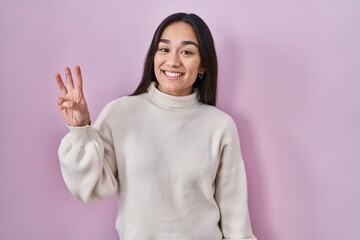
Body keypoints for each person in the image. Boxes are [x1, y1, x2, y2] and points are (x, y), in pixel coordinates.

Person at [55, 12, 257, 240]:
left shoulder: (220, 126)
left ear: (203, 67)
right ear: (153, 56)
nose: (173, 61)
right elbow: (90, 187)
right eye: (164, 49)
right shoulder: (121, 113)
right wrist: (81, 130)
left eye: (187, 52)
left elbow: (235, 219)